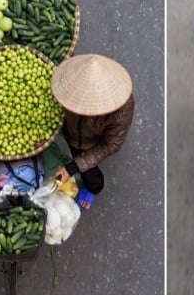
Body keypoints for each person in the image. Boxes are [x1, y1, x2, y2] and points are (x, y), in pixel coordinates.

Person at [50, 54, 135, 197]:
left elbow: (111, 145)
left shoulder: (122, 109)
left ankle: (94, 189)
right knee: (74, 149)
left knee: (89, 173)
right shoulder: (68, 80)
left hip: (91, 143)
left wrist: (73, 167)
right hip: (70, 131)